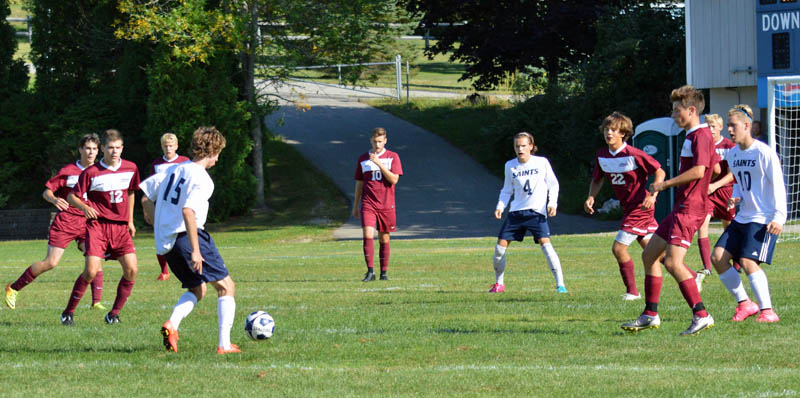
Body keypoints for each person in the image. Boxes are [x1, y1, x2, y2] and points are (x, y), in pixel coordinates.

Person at [621, 85, 715, 336]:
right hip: (681, 207)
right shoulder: (693, 136)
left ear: (692, 110)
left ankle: (701, 314)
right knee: (649, 255)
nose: (673, 115)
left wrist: (664, 184)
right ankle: (650, 314)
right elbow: (712, 169)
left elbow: (700, 171)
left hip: (690, 210)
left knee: (673, 263)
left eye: (677, 111)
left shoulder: (701, 136)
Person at [140, 126, 240, 354]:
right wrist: (196, 250)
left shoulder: (174, 169)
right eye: (219, 153)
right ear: (213, 151)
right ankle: (225, 345)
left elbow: (146, 197)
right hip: (188, 237)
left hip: (167, 243)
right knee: (226, 286)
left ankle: (172, 325)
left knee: (198, 289)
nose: (218, 159)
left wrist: (158, 224)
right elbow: (188, 211)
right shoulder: (203, 179)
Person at [5, 134, 106, 310]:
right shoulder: (68, 171)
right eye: (88, 148)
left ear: (99, 151)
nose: (91, 152)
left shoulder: (100, 171)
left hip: (88, 223)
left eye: (94, 149)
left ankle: (96, 301)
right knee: (51, 262)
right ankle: (13, 288)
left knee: (94, 259)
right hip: (66, 221)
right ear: (80, 149)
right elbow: (47, 192)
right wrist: (54, 200)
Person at [710, 104, 786, 323]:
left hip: (763, 217)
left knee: (747, 261)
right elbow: (739, 181)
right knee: (718, 258)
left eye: (733, 126)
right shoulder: (733, 154)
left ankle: (768, 311)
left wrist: (779, 217)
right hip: (743, 216)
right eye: (729, 127)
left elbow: (778, 186)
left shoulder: (764, 152)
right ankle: (745, 303)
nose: (730, 131)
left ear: (747, 126)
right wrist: (736, 196)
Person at [61, 129, 140, 326]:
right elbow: (72, 196)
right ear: (103, 148)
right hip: (98, 227)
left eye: (118, 148)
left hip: (121, 228)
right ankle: (68, 312)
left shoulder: (131, 168)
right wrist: (85, 207)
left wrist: (130, 220)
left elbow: (131, 192)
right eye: (110, 148)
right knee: (91, 271)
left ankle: (113, 314)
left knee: (131, 270)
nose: (115, 151)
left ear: (122, 148)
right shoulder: (91, 172)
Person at [585, 112, 665, 301]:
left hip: (640, 206)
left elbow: (659, 172)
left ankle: (632, 292)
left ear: (623, 133)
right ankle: (691, 278)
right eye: (606, 129)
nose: (609, 133)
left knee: (618, 249)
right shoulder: (602, 155)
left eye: (613, 130)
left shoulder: (634, 154)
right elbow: (597, 179)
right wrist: (591, 196)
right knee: (655, 253)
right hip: (629, 207)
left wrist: (653, 195)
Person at [491, 132, 566, 294]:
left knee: (546, 245)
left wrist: (552, 203)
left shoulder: (541, 163)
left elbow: (553, 184)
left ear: (531, 147)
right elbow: (507, 189)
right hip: (516, 213)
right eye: (517, 146)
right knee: (499, 249)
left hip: (536, 213)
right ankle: (499, 284)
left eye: (524, 145)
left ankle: (561, 285)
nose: (520, 149)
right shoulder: (510, 166)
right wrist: (500, 206)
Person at [352, 127, 403, 282]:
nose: (377, 144)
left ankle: (384, 273)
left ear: (385, 141)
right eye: (375, 141)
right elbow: (359, 184)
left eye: (380, 141)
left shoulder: (393, 157)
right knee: (367, 235)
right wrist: (355, 205)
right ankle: (370, 271)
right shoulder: (363, 159)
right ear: (371, 141)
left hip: (386, 204)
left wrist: (380, 164)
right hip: (368, 204)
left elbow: (394, 180)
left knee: (384, 238)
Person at [694, 114, 738, 291]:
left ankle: (737, 263)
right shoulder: (704, 145)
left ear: (720, 127)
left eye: (713, 126)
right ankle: (706, 268)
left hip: (726, 191)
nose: (710, 129)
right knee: (702, 225)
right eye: (707, 126)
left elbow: (732, 173)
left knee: (730, 228)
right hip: (708, 192)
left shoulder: (730, 146)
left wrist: (716, 185)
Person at [151, 133, 190, 281]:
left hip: (179, 206)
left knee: (183, 236)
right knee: (161, 238)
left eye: (171, 146)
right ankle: (164, 271)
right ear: (162, 147)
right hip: (162, 206)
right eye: (165, 146)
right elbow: (152, 185)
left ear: (177, 146)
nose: (168, 148)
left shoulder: (185, 162)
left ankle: (188, 264)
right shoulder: (157, 164)